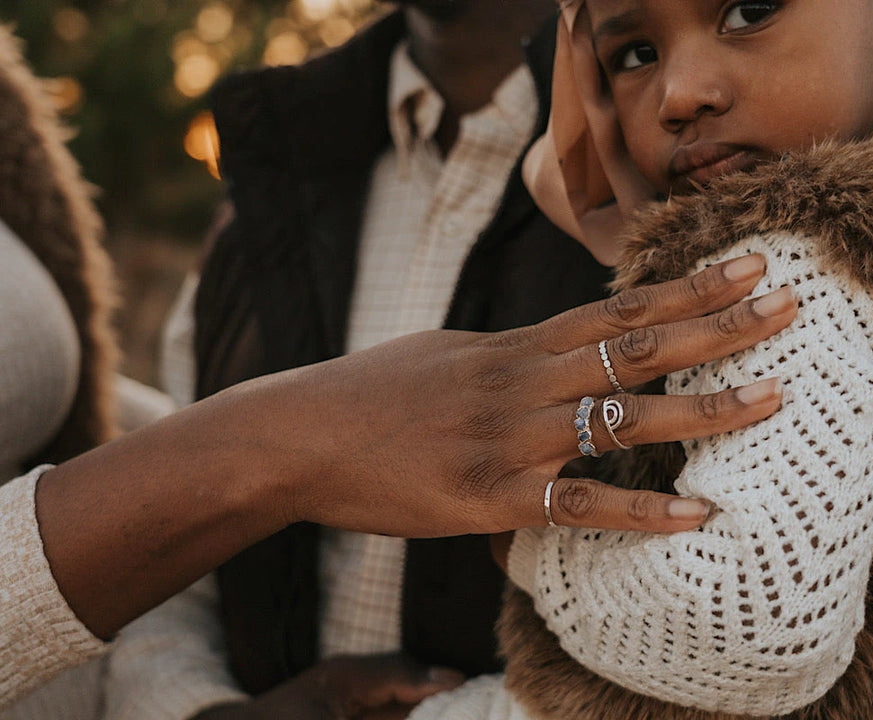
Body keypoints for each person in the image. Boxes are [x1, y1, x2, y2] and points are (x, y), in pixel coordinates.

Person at [0, 16, 799, 716]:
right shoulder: (270, 171)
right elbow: (169, 541)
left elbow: (785, 622)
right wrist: (191, 709)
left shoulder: (706, 161)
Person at [402, 0, 873, 718]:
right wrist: (654, 235)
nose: (681, 94)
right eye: (634, 56)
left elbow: (753, 623)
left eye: (748, 11)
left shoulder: (792, 273)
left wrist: (531, 547)